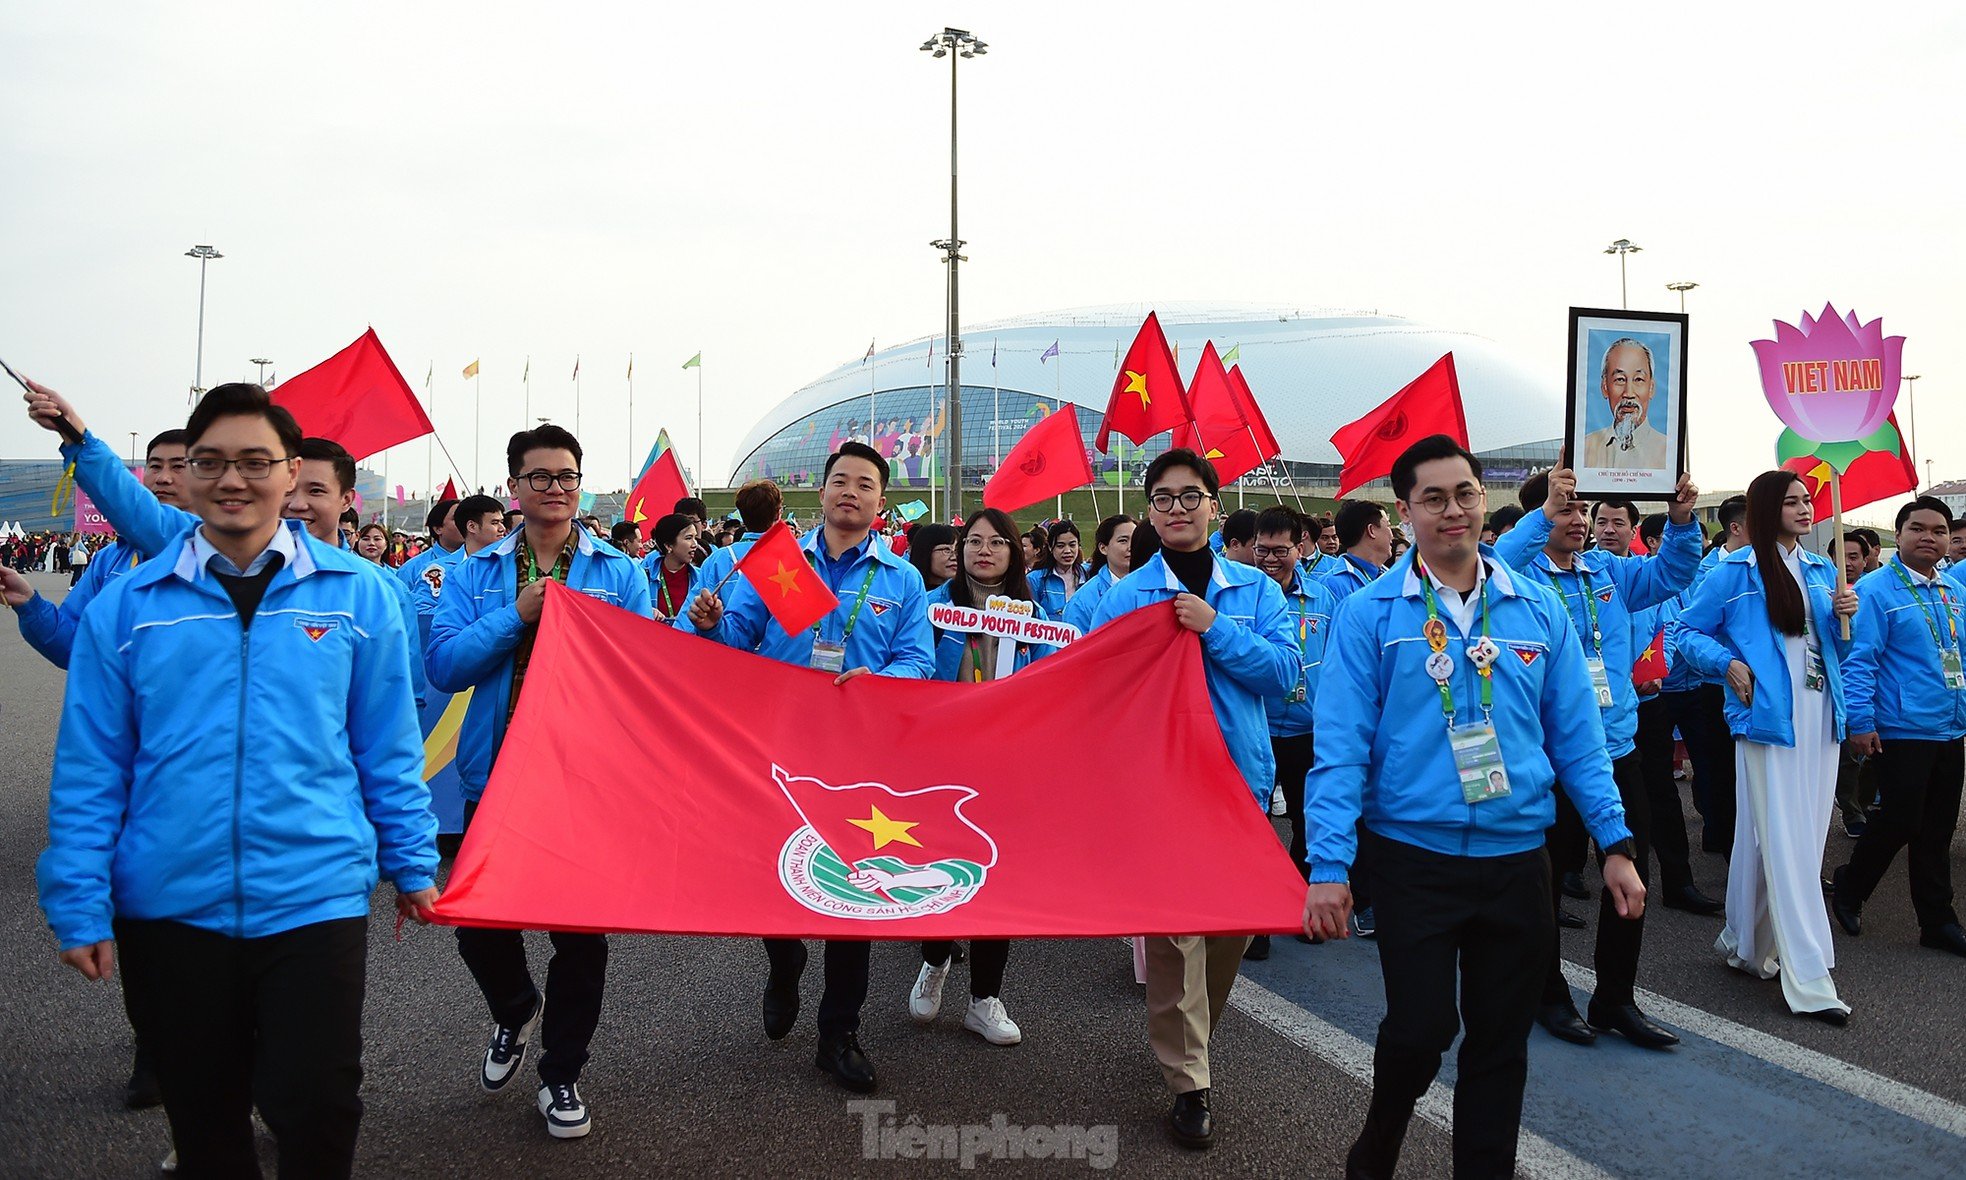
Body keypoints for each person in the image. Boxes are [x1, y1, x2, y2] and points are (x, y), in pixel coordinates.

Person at [37, 382, 438, 1178]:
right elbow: (91, 768)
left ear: (291, 474)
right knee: (206, 1121)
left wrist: (413, 862)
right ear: (182, 476)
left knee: (321, 1109)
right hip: (170, 907)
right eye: (210, 462)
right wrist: (78, 897)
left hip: (315, 897)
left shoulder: (358, 596)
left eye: (256, 461)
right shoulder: (129, 607)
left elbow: (388, 750)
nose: (233, 479)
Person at [1304, 434, 1641, 1179]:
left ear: (1482, 501)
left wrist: (1614, 842)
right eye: (1432, 498)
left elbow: (1579, 742)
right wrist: (1329, 863)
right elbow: (1341, 750)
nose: (1451, 511)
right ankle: (1381, 1138)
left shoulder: (1538, 609)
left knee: (1499, 1043)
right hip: (1412, 863)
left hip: (1519, 863)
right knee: (1421, 1032)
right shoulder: (1368, 615)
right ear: (1404, 511)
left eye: (1464, 494)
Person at [684, 441, 935, 1094]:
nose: (851, 492)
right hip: (781, 749)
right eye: (840, 481)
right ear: (819, 494)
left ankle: (838, 1033)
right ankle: (783, 956)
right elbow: (738, 642)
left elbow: (920, 661)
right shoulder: (781, 563)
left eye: (865, 485)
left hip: (860, 757)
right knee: (775, 878)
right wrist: (711, 624)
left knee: (853, 893)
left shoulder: (901, 579)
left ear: (882, 503)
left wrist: (877, 679)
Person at [427, 425, 653, 1138]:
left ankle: (561, 1074)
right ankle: (516, 1007)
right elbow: (445, 664)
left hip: (583, 778)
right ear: (513, 488)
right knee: (475, 921)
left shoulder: (619, 571)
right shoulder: (472, 571)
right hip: (494, 774)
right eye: (540, 477)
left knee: (581, 939)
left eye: (567, 477)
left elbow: (642, 670)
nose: (555, 489)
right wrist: (516, 616)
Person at [1089, 448, 1297, 1151]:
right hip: (1160, 787)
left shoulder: (1256, 591)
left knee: (1229, 926)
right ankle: (1191, 1083)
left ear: (1214, 503)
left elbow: (1282, 675)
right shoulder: (1124, 596)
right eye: (1163, 498)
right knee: (1176, 936)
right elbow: (1101, 690)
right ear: (1149, 509)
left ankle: (1188, 1035)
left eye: (1190, 496)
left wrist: (1214, 627)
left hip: (1236, 779)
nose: (1177, 509)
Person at [1497, 467, 1701, 1050]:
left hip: (1617, 747)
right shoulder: (1511, 579)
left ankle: (1616, 998)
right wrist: (1541, 513)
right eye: (1566, 509)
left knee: (1632, 871)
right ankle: (1548, 994)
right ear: (1540, 518)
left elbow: (1672, 573)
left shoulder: (1607, 571)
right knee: (1547, 883)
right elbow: (1497, 558)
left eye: (1582, 510)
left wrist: (1683, 521)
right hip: (1547, 757)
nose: (1580, 520)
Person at [1676, 470, 1859, 1024]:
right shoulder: (1734, 570)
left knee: (1791, 835)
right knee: (1785, 838)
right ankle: (1809, 972)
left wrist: (1843, 618)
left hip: (1820, 713)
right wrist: (1727, 663)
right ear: (1764, 509)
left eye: (1809, 500)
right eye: (1794, 501)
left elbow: (1832, 654)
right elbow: (1683, 634)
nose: (1807, 509)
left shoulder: (1823, 568)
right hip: (1767, 719)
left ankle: (1748, 944)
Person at [907, 507, 1041, 1047]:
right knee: (935, 866)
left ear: (1014, 552)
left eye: (997, 542)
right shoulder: (931, 607)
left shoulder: (1037, 614)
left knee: (997, 876)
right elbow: (914, 667)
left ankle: (985, 998)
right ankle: (934, 961)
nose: (984, 551)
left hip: (1010, 765)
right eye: (974, 542)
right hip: (939, 761)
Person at [1829, 497, 1966, 958]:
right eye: (1918, 528)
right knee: (1901, 819)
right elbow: (1859, 662)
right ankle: (1851, 886)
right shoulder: (1876, 590)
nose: (1929, 537)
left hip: (1950, 727)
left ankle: (1938, 921)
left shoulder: (1953, 591)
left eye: (1938, 530)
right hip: (1901, 727)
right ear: (1898, 535)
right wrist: (1861, 723)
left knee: (1938, 829)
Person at [1249, 507, 1338, 955]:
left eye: (1280, 551)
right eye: (1261, 550)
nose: (1269, 559)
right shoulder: (1247, 597)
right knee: (1257, 828)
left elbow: (1341, 661)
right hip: (1256, 730)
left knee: (1308, 825)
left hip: (1308, 731)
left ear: (1300, 548)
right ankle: (1257, 922)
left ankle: (1298, 907)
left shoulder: (1324, 598)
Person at [1630, 513, 1724, 916]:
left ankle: (1692, 872)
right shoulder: (1624, 578)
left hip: (1680, 692)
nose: (1610, 529)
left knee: (1697, 780)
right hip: (1632, 701)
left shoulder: (1698, 579)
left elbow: (1685, 631)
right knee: (1644, 794)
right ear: (1652, 543)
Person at [1667, 494, 1749, 855]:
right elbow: (1691, 628)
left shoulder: (1770, 568)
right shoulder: (1702, 573)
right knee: (1717, 768)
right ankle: (1723, 838)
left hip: (1754, 688)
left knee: (1748, 773)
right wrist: (1723, 662)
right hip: (1711, 683)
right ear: (1735, 527)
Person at [1580, 338, 1669, 470]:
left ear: (1651, 388)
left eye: (1638, 379)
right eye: (1620, 379)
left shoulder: (1668, 452)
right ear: (1604, 387)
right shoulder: (1583, 449)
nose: (1628, 393)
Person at [699, 479, 784, 590]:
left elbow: (694, 604)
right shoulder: (793, 557)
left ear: (742, 515)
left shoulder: (716, 560)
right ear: (778, 514)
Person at [1062, 514, 1136, 633]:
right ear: (1103, 548)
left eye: (1135, 540)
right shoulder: (1082, 602)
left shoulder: (1155, 589)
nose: (1131, 547)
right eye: (1123, 541)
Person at [1317, 499, 1394, 601]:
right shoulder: (1331, 585)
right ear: (1371, 530)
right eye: (1388, 526)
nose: (1392, 535)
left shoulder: (1394, 577)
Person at [642, 513, 701, 622]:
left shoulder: (702, 579)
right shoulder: (643, 577)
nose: (695, 544)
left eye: (695, 537)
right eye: (688, 538)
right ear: (668, 546)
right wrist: (646, 611)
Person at [1027, 520, 1087, 616]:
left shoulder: (1089, 574)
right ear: (1050, 547)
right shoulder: (1034, 579)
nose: (1067, 551)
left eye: (1072, 545)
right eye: (1060, 546)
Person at [905, 522, 958, 592]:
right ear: (925, 552)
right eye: (946, 550)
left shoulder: (969, 595)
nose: (954, 557)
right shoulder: (907, 594)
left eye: (957, 550)